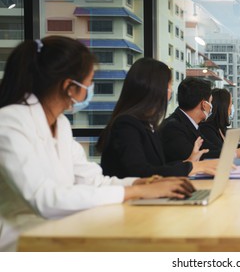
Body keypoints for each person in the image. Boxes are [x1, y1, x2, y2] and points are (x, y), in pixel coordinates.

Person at [0, 36, 195, 222]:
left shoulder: (61, 124)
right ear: (69, 86)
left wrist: (139, 184)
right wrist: (134, 192)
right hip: (21, 240)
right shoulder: (10, 122)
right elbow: (44, 198)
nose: (90, 88)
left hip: (62, 229)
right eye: (89, 81)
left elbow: (93, 180)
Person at [97, 58, 217, 178]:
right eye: (169, 85)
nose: (170, 92)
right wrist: (190, 167)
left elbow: (158, 168)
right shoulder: (126, 125)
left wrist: (188, 162)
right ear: (157, 88)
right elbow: (140, 172)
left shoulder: (147, 125)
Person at [159, 77, 240, 162]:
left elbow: (210, 149)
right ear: (204, 104)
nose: (211, 106)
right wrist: (235, 153)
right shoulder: (173, 127)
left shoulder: (191, 124)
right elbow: (198, 157)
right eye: (210, 102)